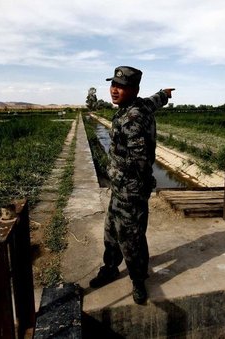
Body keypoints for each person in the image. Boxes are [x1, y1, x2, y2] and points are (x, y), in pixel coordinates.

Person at [89, 65, 174, 304]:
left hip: (131, 190)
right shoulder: (139, 105)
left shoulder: (133, 118)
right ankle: (111, 267)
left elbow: (139, 159)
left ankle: (138, 280)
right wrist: (165, 94)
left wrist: (131, 181)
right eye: (113, 85)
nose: (114, 91)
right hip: (119, 189)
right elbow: (155, 100)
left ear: (134, 90)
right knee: (111, 231)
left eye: (121, 87)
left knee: (131, 238)